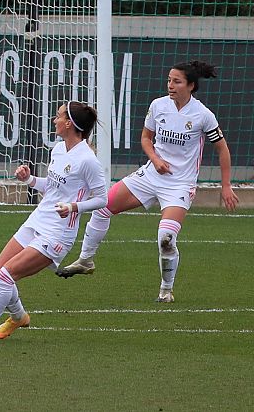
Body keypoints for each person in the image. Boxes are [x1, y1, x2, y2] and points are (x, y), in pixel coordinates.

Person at [57, 61, 239, 303]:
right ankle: (86, 260)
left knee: (166, 237)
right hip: (150, 175)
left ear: (191, 85)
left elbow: (222, 149)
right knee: (102, 206)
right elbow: (146, 137)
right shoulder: (158, 106)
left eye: (177, 81)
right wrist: (155, 159)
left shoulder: (203, 115)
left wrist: (226, 185)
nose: (170, 85)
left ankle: (166, 289)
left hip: (180, 185)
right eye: (169, 80)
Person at [0, 101, 107, 344]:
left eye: (58, 116)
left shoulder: (88, 160)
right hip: (38, 219)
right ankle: (18, 317)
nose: (54, 120)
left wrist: (73, 207)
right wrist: (30, 180)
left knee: (7, 275)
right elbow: (55, 187)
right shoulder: (59, 149)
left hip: (58, 233)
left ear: (69, 123)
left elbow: (102, 199)